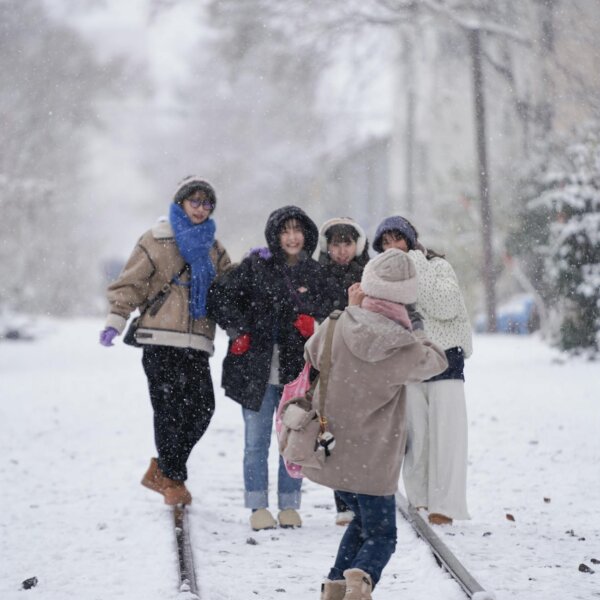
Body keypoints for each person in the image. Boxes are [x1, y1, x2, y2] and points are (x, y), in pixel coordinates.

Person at [303, 249, 448, 600]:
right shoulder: (403, 344)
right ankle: (361, 582)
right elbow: (438, 361)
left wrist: (352, 308)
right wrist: (414, 327)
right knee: (383, 535)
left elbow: (311, 352)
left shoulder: (338, 321)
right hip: (376, 458)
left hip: (334, 447)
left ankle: (335, 588)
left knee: (362, 523)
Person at [99, 176, 231, 505]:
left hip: (198, 341)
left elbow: (231, 285)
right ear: (180, 203)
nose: (200, 209)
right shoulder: (156, 240)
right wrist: (116, 321)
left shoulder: (214, 246)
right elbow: (129, 284)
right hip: (159, 338)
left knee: (202, 408)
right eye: (194, 202)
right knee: (169, 411)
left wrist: (257, 266)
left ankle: (165, 470)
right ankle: (175, 481)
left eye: (206, 203)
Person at [208, 206, 329, 531]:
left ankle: (289, 505)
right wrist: (238, 331)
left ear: (306, 235)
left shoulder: (315, 273)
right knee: (256, 441)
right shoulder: (255, 266)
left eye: (297, 230)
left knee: (294, 440)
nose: (291, 237)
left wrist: (314, 324)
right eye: (285, 230)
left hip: (298, 376)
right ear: (275, 235)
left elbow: (334, 313)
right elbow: (220, 296)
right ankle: (257, 505)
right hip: (255, 373)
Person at [372, 216, 473, 526]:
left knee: (447, 438)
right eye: (385, 243)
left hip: (446, 360)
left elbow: (446, 306)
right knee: (415, 438)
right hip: (409, 362)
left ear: (411, 239)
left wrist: (415, 264)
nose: (393, 247)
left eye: (397, 239)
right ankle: (420, 500)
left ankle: (445, 505)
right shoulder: (381, 278)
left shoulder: (437, 266)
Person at [318, 217, 369, 526]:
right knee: (333, 431)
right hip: (330, 361)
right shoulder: (317, 274)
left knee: (363, 432)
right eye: (335, 244)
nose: (341, 251)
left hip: (362, 361)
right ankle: (343, 502)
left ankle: (364, 494)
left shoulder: (369, 274)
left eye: (347, 243)